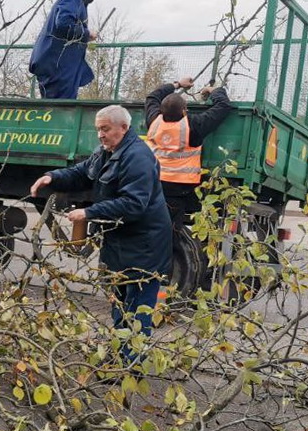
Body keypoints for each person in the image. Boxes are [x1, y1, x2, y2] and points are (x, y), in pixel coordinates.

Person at [30, 105, 171, 365]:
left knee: (137, 310)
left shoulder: (137, 156)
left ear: (124, 128)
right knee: (118, 305)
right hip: (120, 243)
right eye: (98, 130)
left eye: (105, 129)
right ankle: (120, 359)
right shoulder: (107, 151)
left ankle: (130, 367)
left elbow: (134, 203)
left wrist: (89, 212)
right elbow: (82, 172)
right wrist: (53, 177)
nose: (100, 135)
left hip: (144, 246)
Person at [145, 77, 235, 233]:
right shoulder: (193, 126)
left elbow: (152, 97)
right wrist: (213, 91)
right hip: (178, 191)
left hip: (151, 185)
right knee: (170, 234)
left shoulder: (154, 121)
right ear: (184, 110)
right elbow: (223, 106)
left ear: (161, 110)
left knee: (149, 229)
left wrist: (177, 84)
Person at [28, 0, 97, 99]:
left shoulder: (80, 4)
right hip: (58, 64)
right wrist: (87, 33)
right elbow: (64, 23)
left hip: (58, 62)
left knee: (57, 106)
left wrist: (84, 37)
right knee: (61, 107)